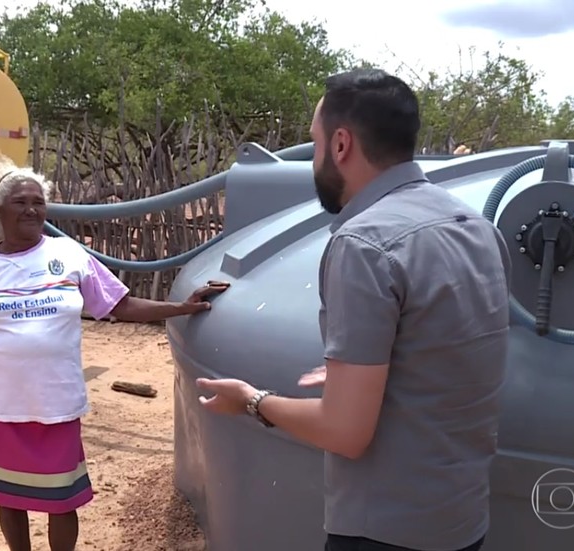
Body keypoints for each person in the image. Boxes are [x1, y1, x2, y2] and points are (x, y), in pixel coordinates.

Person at [196, 68, 512, 551]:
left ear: (340, 144)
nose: (316, 157)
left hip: (385, 531)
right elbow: (450, 353)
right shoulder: (474, 224)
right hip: (462, 521)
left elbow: (345, 433)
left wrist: (251, 402)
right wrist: (370, 371)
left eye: (316, 143)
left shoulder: (364, 244)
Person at [0, 159, 228, 551]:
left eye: (38, 202)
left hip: (56, 406)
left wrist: (181, 307)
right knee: (9, 498)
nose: (32, 210)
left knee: (61, 500)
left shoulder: (70, 255)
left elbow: (121, 306)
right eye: (20, 202)